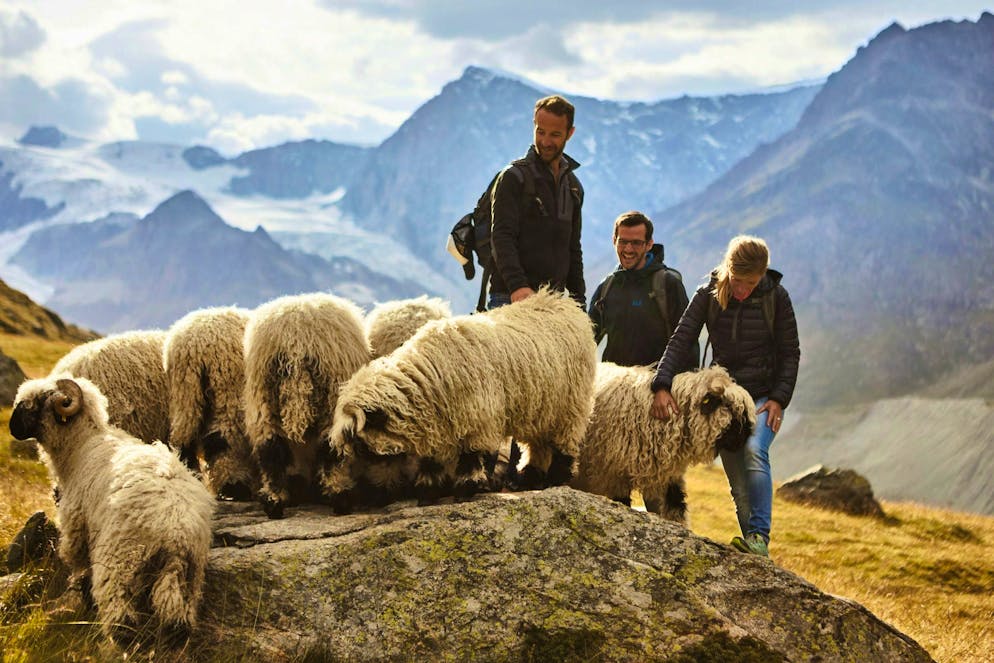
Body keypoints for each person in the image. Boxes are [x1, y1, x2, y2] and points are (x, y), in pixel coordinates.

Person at [649, 235, 800, 557]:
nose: (742, 289)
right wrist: (661, 384)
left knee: (754, 451)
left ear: (762, 274)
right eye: (737, 280)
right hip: (727, 400)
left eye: (750, 282)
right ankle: (755, 551)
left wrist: (779, 398)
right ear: (727, 270)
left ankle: (759, 536)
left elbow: (790, 353)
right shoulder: (708, 294)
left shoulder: (777, 297)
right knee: (736, 481)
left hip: (762, 397)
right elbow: (681, 339)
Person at [488, 95, 585, 309]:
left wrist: (579, 301)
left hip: (552, 303)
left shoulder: (573, 187)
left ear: (570, 133)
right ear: (534, 125)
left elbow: (573, 248)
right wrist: (517, 286)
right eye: (540, 132)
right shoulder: (513, 177)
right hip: (510, 298)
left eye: (555, 134)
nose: (546, 141)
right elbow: (501, 237)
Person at [589, 211, 697, 370]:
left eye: (636, 243)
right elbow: (587, 341)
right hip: (613, 387)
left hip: (656, 387)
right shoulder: (607, 288)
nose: (628, 249)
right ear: (614, 241)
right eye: (623, 241)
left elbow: (687, 343)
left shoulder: (668, 285)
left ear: (649, 244)